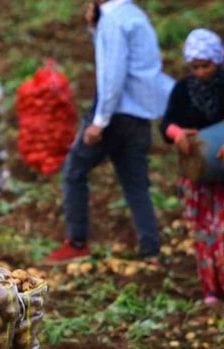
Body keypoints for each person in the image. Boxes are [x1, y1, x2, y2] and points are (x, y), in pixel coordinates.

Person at [43, 0, 175, 266]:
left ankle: (77, 243)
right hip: (140, 113)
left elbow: (112, 74)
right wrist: (95, 28)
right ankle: (151, 250)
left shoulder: (113, 20)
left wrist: (100, 122)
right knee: (136, 183)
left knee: (74, 171)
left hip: (116, 114)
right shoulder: (133, 15)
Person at [159, 29, 224, 306]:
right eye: (195, 67)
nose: (201, 72)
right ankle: (212, 290)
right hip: (198, 173)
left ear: (217, 62)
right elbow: (166, 123)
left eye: (206, 66)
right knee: (204, 232)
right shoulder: (183, 90)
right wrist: (177, 134)